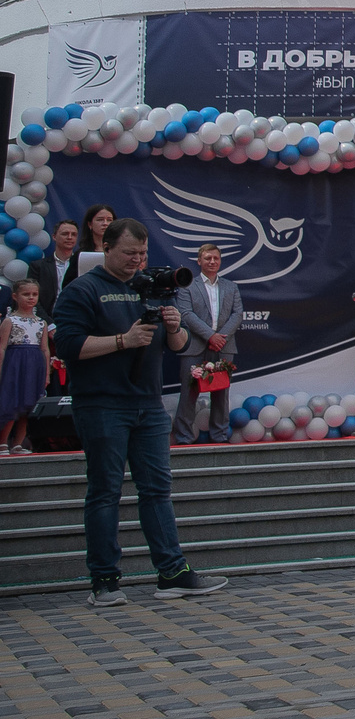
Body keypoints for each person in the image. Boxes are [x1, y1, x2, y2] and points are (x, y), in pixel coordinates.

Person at [51, 218, 228, 604]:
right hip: (101, 403)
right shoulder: (83, 289)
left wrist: (177, 325)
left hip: (147, 405)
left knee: (157, 490)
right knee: (105, 492)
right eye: (130, 253)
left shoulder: (153, 288)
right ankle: (105, 582)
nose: (137, 260)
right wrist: (122, 340)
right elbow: (66, 346)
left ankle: (172, 573)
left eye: (143, 253)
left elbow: (177, 347)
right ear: (107, 249)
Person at [171, 244, 242, 445]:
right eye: (208, 258)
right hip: (194, 345)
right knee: (189, 392)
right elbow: (186, 314)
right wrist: (211, 336)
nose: (212, 262)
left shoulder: (231, 287)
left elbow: (237, 314)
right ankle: (183, 437)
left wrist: (221, 338)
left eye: (216, 258)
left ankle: (219, 436)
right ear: (199, 261)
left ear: (220, 261)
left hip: (224, 347)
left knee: (221, 393)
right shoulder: (187, 287)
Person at [2, 277, 50, 453]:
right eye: (26, 294)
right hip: (15, 363)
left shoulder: (41, 322)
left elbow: (45, 350)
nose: (31, 298)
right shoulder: (10, 321)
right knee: (12, 402)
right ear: (15, 296)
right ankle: (3, 442)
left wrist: (46, 374)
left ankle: (18, 443)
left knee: (29, 404)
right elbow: (2, 347)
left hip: (34, 365)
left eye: (34, 294)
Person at [30, 219, 82, 323]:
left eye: (74, 234)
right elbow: (32, 299)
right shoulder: (38, 266)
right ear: (54, 236)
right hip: (47, 322)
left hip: (77, 320)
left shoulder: (82, 263)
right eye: (65, 234)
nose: (70, 237)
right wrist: (49, 325)